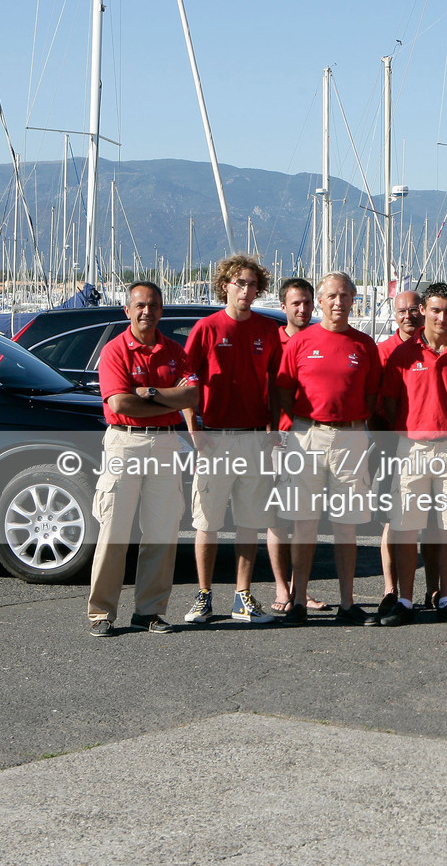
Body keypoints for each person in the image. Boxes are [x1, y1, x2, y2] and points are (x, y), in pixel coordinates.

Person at [86, 282, 199, 636]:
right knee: (114, 532)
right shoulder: (115, 350)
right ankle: (101, 612)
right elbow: (119, 403)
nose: (146, 311)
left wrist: (149, 393)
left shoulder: (175, 351)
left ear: (161, 310)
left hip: (165, 444)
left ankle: (149, 611)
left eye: (153, 305)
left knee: (162, 532)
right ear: (127, 310)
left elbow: (193, 395)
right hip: (125, 443)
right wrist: (169, 401)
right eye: (140, 305)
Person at [274, 272, 382, 625]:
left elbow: (370, 395)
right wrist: (304, 423)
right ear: (319, 301)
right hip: (307, 436)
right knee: (304, 523)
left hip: (350, 437)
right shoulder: (301, 342)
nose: (338, 302)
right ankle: (298, 602)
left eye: (345, 295)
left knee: (346, 526)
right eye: (332, 296)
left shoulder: (364, 345)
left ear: (353, 299)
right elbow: (284, 391)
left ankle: (348, 604)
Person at [180, 255, 281, 627]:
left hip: (254, 438)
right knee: (207, 522)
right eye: (240, 282)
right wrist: (194, 428)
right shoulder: (207, 328)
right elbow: (186, 381)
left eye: (253, 284)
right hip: (215, 439)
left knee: (249, 522)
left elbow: (276, 384)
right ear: (225, 285)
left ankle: (243, 595)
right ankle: (204, 595)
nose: (246, 290)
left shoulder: (268, 330)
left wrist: (273, 430)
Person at [379, 282, 447, 627]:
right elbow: (390, 403)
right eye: (435, 310)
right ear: (423, 310)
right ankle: (405, 600)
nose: (442, 317)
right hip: (412, 447)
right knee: (407, 526)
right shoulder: (403, 354)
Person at [368, 290, 427, 626]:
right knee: (393, 520)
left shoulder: (434, 346)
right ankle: (390, 590)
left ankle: (434, 589)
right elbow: (373, 401)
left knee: (432, 521)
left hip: (428, 447)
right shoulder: (383, 351)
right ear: (394, 314)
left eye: (414, 309)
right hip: (391, 445)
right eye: (402, 311)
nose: (409, 316)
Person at [266, 276, 319, 615]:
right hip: (280, 438)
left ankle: (302, 590)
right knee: (277, 518)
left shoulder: (319, 338)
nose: (302, 309)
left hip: (311, 437)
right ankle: (281, 588)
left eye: (307, 302)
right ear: (283, 306)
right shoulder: (273, 342)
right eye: (295, 303)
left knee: (306, 519)